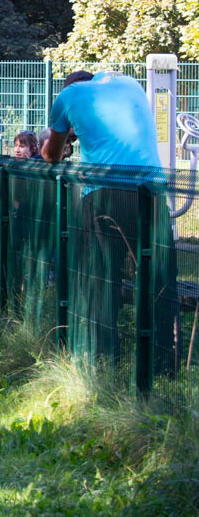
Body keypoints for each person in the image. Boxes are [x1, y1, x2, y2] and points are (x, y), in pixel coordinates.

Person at [41, 70, 175, 368]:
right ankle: (164, 362)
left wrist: (66, 139)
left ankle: (103, 358)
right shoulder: (129, 83)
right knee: (160, 277)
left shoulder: (68, 96)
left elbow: (52, 154)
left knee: (101, 277)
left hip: (104, 192)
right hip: (152, 189)